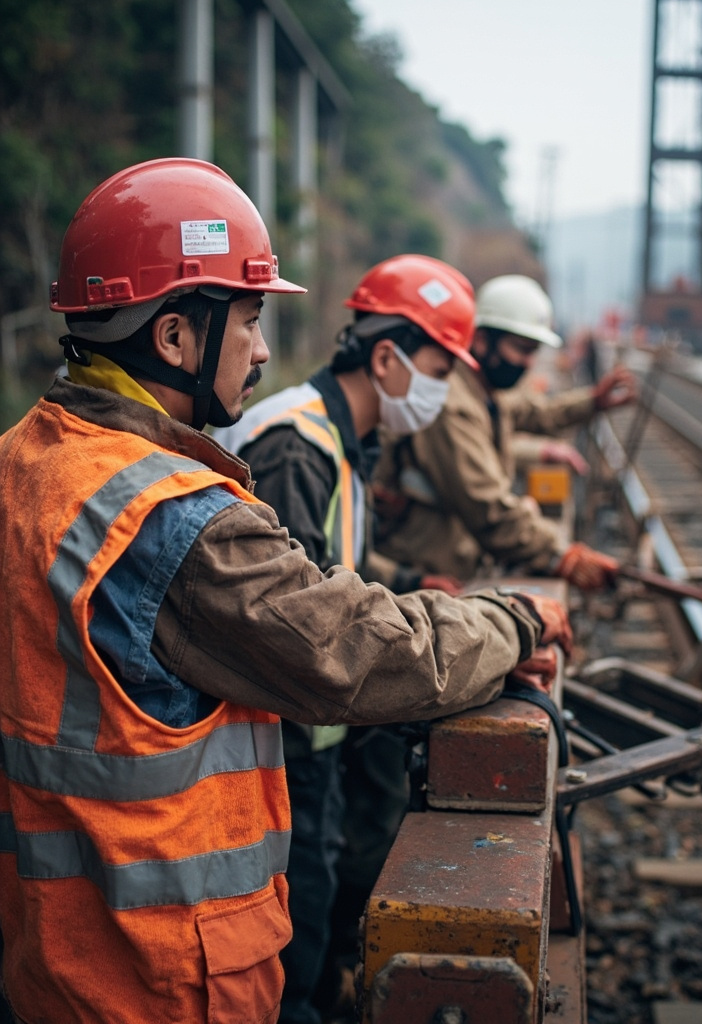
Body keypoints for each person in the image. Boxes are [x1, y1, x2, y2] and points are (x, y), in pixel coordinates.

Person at [0, 158, 571, 1024]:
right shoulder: (172, 520)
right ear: (174, 337)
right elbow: (349, 651)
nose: (264, 350)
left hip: (46, 957)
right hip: (156, 976)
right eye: (250, 319)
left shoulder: (23, 460)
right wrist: (514, 621)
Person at [214, 253, 476, 1024]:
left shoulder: (337, 435)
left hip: (315, 732)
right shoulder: (298, 444)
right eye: (439, 372)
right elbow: (296, 626)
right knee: (298, 921)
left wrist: (411, 582)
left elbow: (329, 562)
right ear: (388, 359)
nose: (442, 393)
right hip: (287, 739)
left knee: (321, 896)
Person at [374, 273, 637, 590]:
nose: (527, 362)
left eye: (533, 351)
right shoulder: (453, 406)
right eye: (520, 349)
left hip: (452, 564)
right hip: (422, 577)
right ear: (482, 340)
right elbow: (489, 510)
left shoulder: (485, 391)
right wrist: (561, 555)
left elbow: (535, 411)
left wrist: (592, 402)